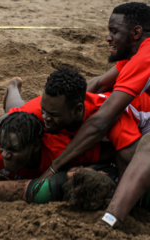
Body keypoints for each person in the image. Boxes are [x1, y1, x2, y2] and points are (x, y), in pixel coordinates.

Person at [0, 67, 141, 206]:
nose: (45, 118)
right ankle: (12, 89)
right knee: (17, 116)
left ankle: (13, 92)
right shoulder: (42, 111)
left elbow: (128, 157)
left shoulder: (110, 116)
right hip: (46, 123)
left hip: (135, 122)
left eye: (53, 115)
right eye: (44, 111)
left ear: (77, 110)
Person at [32, 2, 150, 228]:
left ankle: (110, 222)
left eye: (114, 32)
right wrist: (47, 109)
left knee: (138, 144)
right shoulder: (133, 58)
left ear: (136, 33)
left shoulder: (146, 55)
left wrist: (54, 168)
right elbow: (96, 85)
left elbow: (101, 120)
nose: (108, 38)